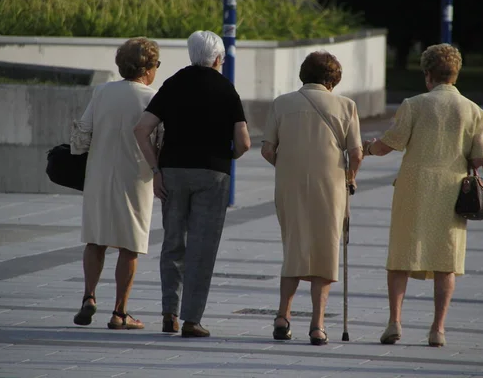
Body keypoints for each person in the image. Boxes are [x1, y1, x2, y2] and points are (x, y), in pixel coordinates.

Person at [363, 44, 483, 347]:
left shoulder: (414, 104)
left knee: (401, 255)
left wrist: (367, 148)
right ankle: (438, 329)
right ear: (456, 74)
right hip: (452, 190)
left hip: (414, 187)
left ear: (428, 74)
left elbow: (389, 144)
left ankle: (394, 322)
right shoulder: (473, 110)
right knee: (446, 259)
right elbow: (480, 159)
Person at [134, 30, 251, 338]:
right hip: (213, 174)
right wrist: (228, 156)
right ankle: (191, 320)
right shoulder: (227, 90)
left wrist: (156, 168)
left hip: (172, 171)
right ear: (217, 59)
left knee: (173, 242)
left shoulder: (173, 84)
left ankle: (169, 314)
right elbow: (244, 142)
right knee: (202, 247)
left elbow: (142, 129)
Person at [261, 51, 363, 346]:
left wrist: (288, 166)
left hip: (289, 185)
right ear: (333, 79)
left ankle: (283, 317)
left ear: (304, 74)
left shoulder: (282, 103)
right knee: (326, 250)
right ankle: (317, 326)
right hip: (331, 186)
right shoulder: (346, 106)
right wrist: (350, 177)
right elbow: (355, 153)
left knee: (294, 246)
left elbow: (268, 150)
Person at [71, 37, 161, 330]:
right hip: (135, 176)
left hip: (99, 172)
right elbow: (160, 140)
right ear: (147, 68)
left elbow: (82, 134)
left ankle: (89, 296)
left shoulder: (102, 92)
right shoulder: (152, 98)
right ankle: (120, 312)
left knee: (95, 239)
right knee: (129, 245)